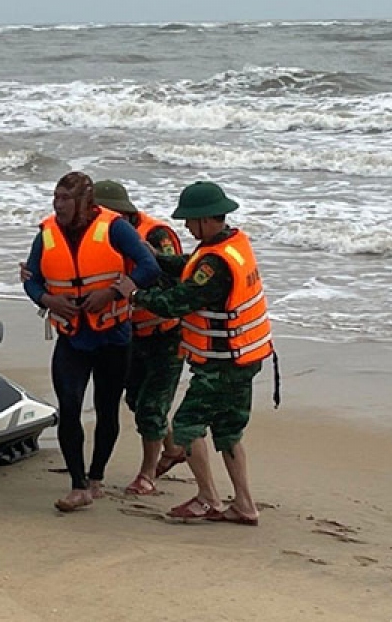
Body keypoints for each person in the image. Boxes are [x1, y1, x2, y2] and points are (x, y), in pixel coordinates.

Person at [130, 181, 275, 526]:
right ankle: (244, 504)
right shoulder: (232, 245)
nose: (186, 227)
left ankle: (208, 498)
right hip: (246, 356)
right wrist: (157, 260)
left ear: (207, 219)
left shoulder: (216, 265)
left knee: (186, 427)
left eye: (190, 221)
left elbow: (177, 302)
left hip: (221, 362)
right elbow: (188, 265)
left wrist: (134, 296)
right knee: (228, 430)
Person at [22, 172, 160, 512]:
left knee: (106, 409)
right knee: (68, 407)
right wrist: (46, 300)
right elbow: (32, 280)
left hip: (113, 336)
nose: (59, 204)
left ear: (86, 201)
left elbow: (149, 267)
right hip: (72, 337)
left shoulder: (115, 228)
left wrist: (113, 292)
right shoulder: (46, 234)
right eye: (56, 197)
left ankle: (96, 476)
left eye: (66, 198)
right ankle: (78, 485)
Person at [90, 180, 188, 497]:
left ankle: (148, 474)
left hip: (167, 335)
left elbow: (175, 281)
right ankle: (173, 450)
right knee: (136, 400)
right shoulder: (100, 237)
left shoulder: (156, 236)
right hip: (130, 334)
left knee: (150, 408)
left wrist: (136, 289)